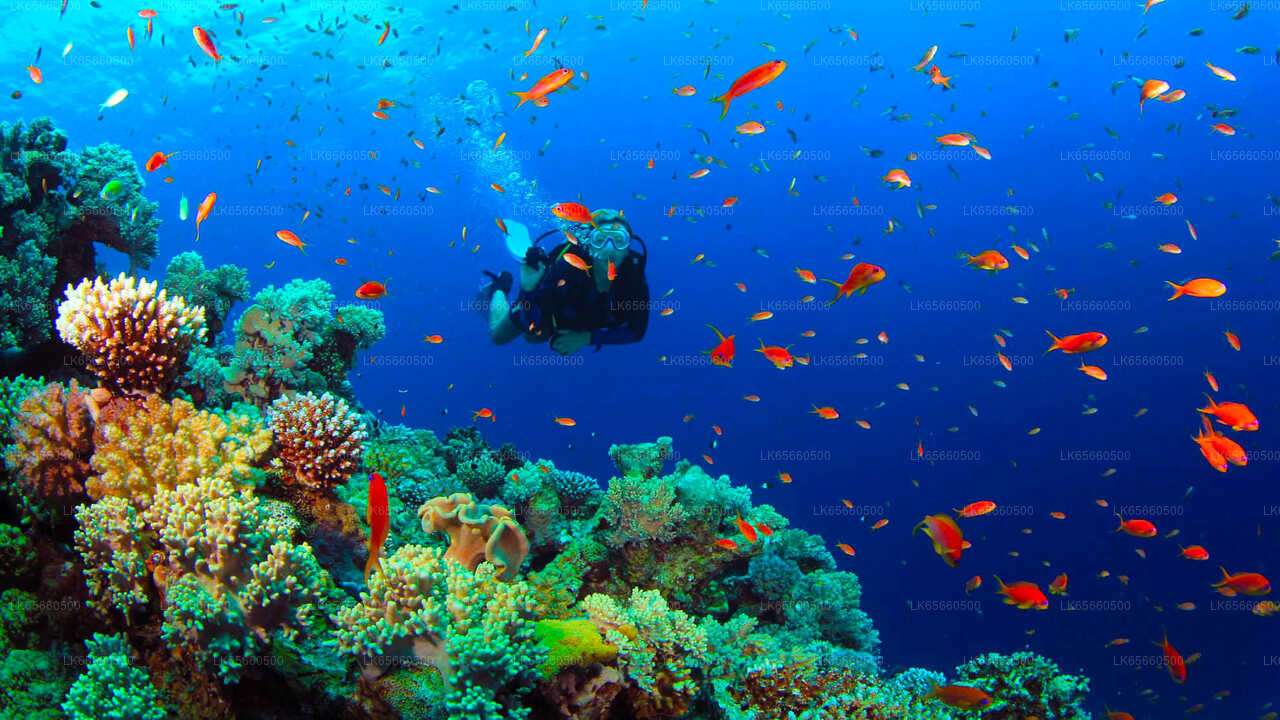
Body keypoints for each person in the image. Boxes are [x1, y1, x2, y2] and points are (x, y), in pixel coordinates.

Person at [479, 209, 649, 355]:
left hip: (580, 320)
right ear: (589, 244)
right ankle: (500, 286)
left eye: (619, 240)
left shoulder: (633, 277)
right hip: (553, 313)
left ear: (628, 248)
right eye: (600, 239)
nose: (609, 249)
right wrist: (528, 290)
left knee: (534, 338)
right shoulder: (568, 268)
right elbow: (532, 316)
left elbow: (636, 332)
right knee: (502, 336)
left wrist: (586, 338)